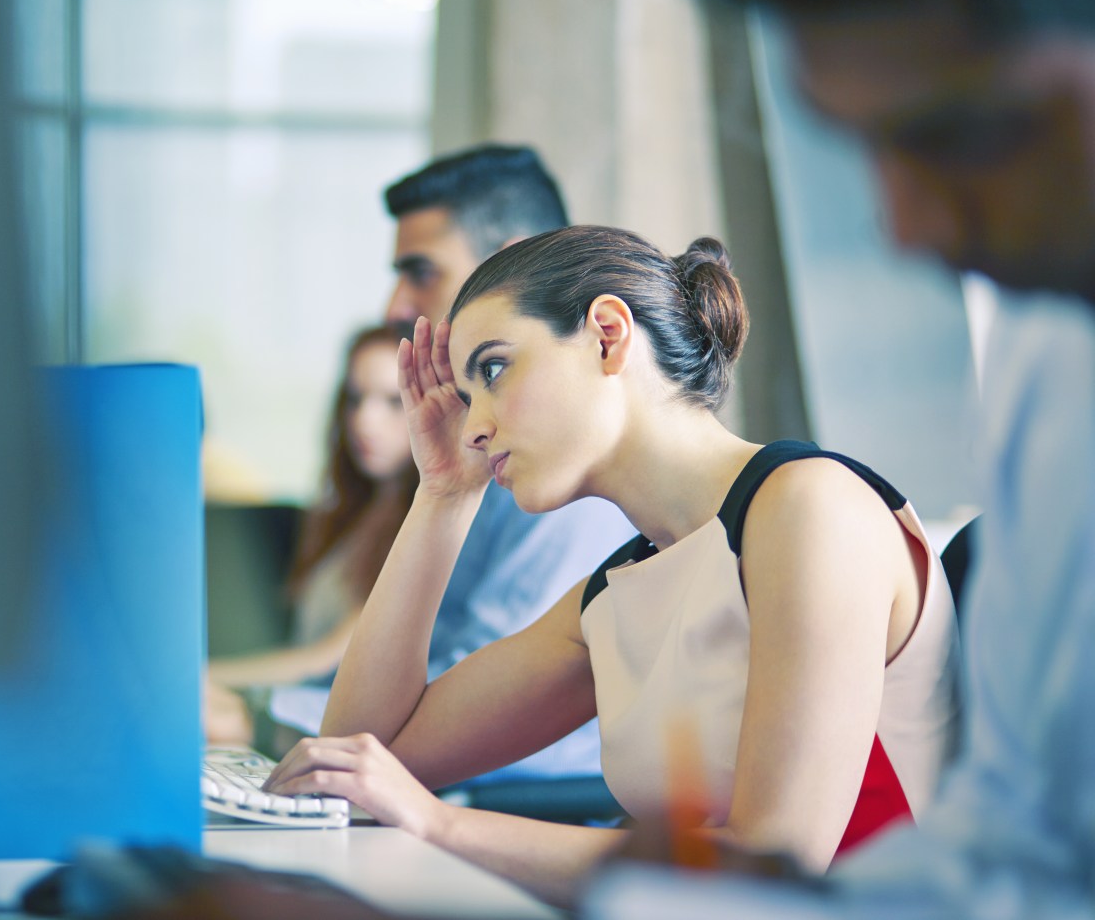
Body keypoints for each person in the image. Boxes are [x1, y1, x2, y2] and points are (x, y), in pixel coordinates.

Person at [573, 0, 1095, 916]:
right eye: (863, 148)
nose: (905, 226)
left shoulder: (803, 506)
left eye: (961, 136)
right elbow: (1015, 854)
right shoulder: (1050, 345)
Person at [262, 225, 962, 909]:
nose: (473, 426)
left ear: (607, 334)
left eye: (495, 370)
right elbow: (357, 756)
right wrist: (443, 494)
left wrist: (439, 822)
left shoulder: (813, 506)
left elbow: (768, 863)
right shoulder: (617, 593)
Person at [248, 146, 637, 793]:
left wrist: (262, 720)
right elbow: (368, 733)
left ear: (513, 262)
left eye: (420, 272)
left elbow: (405, 731)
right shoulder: (506, 468)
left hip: (512, 803)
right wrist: (444, 492)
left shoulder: (574, 485)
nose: (396, 305)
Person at [205, 323, 418, 746]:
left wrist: (205, 675)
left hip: (325, 724)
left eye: (394, 402)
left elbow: (325, 659)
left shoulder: (419, 527)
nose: (365, 420)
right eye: (355, 399)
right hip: (299, 708)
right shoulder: (351, 516)